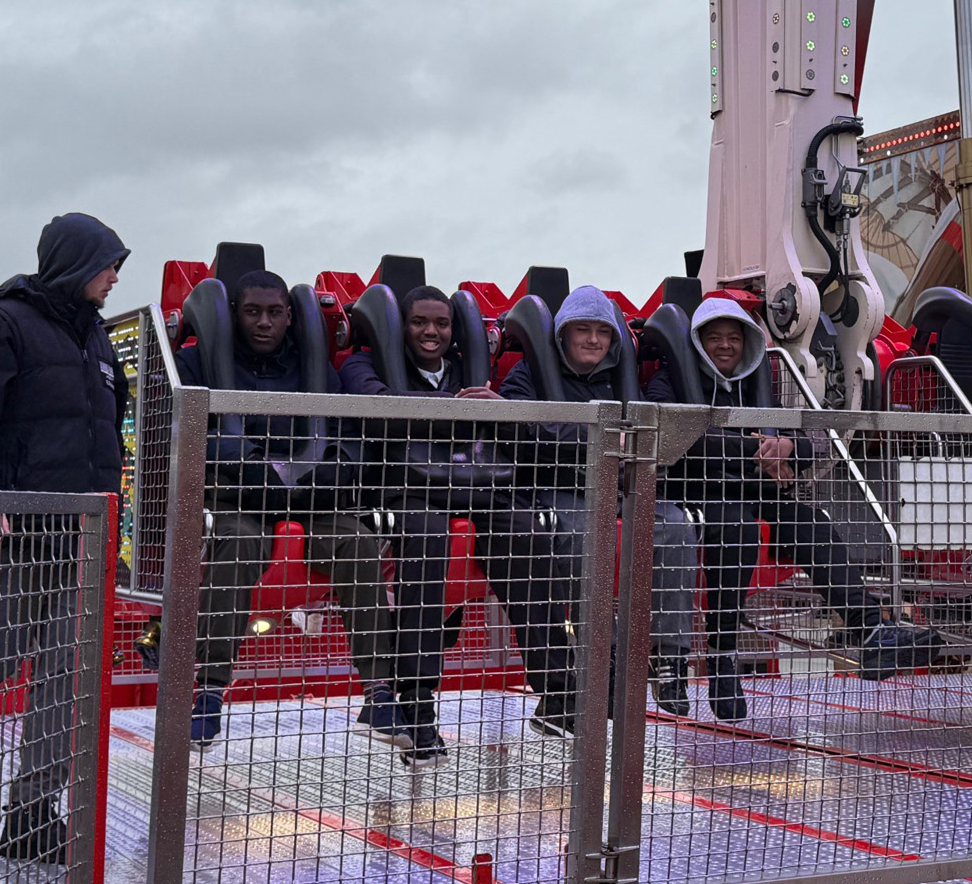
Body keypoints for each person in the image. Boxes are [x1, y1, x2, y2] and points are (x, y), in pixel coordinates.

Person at [0, 213, 130, 863]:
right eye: (107, 263)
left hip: (82, 539)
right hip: (11, 535)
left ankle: (32, 816)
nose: (116, 276)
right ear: (73, 260)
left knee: (66, 677)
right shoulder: (4, 323)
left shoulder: (95, 336)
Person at [646, 296, 941, 720]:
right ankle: (722, 655)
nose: (726, 346)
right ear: (697, 343)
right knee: (739, 530)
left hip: (752, 487)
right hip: (696, 490)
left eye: (733, 337)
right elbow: (677, 441)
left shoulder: (756, 384)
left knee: (811, 523)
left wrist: (784, 445)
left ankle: (870, 629)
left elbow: (811, 442)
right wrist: (754, 451)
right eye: (715, 339)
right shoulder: (668, 382)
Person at [175, 270, 414, 752]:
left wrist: (338, 470)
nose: (264, 323)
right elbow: (184, 427)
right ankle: (208, 690)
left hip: (308, 497)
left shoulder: (313, 367)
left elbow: (347, 433)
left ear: (290, 316)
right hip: (239, 496)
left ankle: (377, 691)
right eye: (252, 312)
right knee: (237, 542)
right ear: (234, 315)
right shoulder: (195, 361)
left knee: (359, 543)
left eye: (275, 313)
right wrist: (237, 465)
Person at [340, 285, 577, 749]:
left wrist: (497, 414)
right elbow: (379, 412)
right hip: (407, 490)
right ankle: (417, 699)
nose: (432, 332)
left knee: (523, 531)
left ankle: (558, 694)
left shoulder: (470, 371)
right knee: (427, 534)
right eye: (419, 322)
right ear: (400, 326)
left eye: (442, 323)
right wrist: (467, 413)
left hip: (476, 485)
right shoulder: (362, 365)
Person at [501, 286, 700, 717]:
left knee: (675, 526)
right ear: (562, 335)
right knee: (583, 535)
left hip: (623, 486)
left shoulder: (622, 382)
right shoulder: (529, 375)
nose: (593, 340)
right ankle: (602, 656)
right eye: (582, 331)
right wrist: (605, 437)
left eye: (602, 333)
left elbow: (652, 433)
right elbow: (521, 429)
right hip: (561, 489)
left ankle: (669, 659)